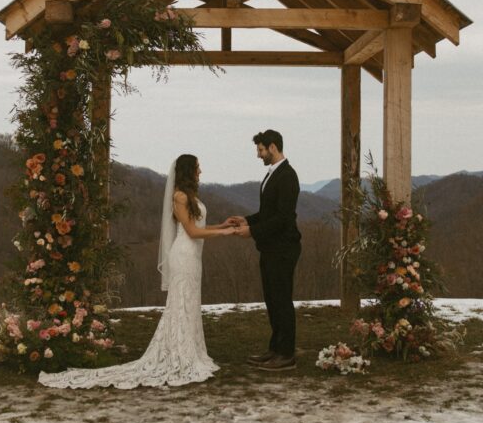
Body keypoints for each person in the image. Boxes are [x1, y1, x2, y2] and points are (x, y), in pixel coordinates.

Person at [37, 154, 237, 389]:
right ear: (187, 171)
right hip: (183, 256)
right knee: (180, 303)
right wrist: (223, 234)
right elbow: (192, 232)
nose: (200, 171)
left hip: (194, 259)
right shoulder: (180, 197)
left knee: (190, 303)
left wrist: (221, 226)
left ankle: (191, 350)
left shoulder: (191, 196)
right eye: (197, 168)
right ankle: (179, 354)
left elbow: (200, 227)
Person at [226, 129, 302, 371]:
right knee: (272, 299)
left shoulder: (288, 176)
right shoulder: (272, 175)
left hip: (283, 248)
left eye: (260, 150)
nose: (258, 155)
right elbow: (268, 213)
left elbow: (283, 218)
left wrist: (253, 232)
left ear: (272, 147)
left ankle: (287, 354)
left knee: (282, 300)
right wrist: (247, 220)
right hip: (270, 248)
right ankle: (275, 349)